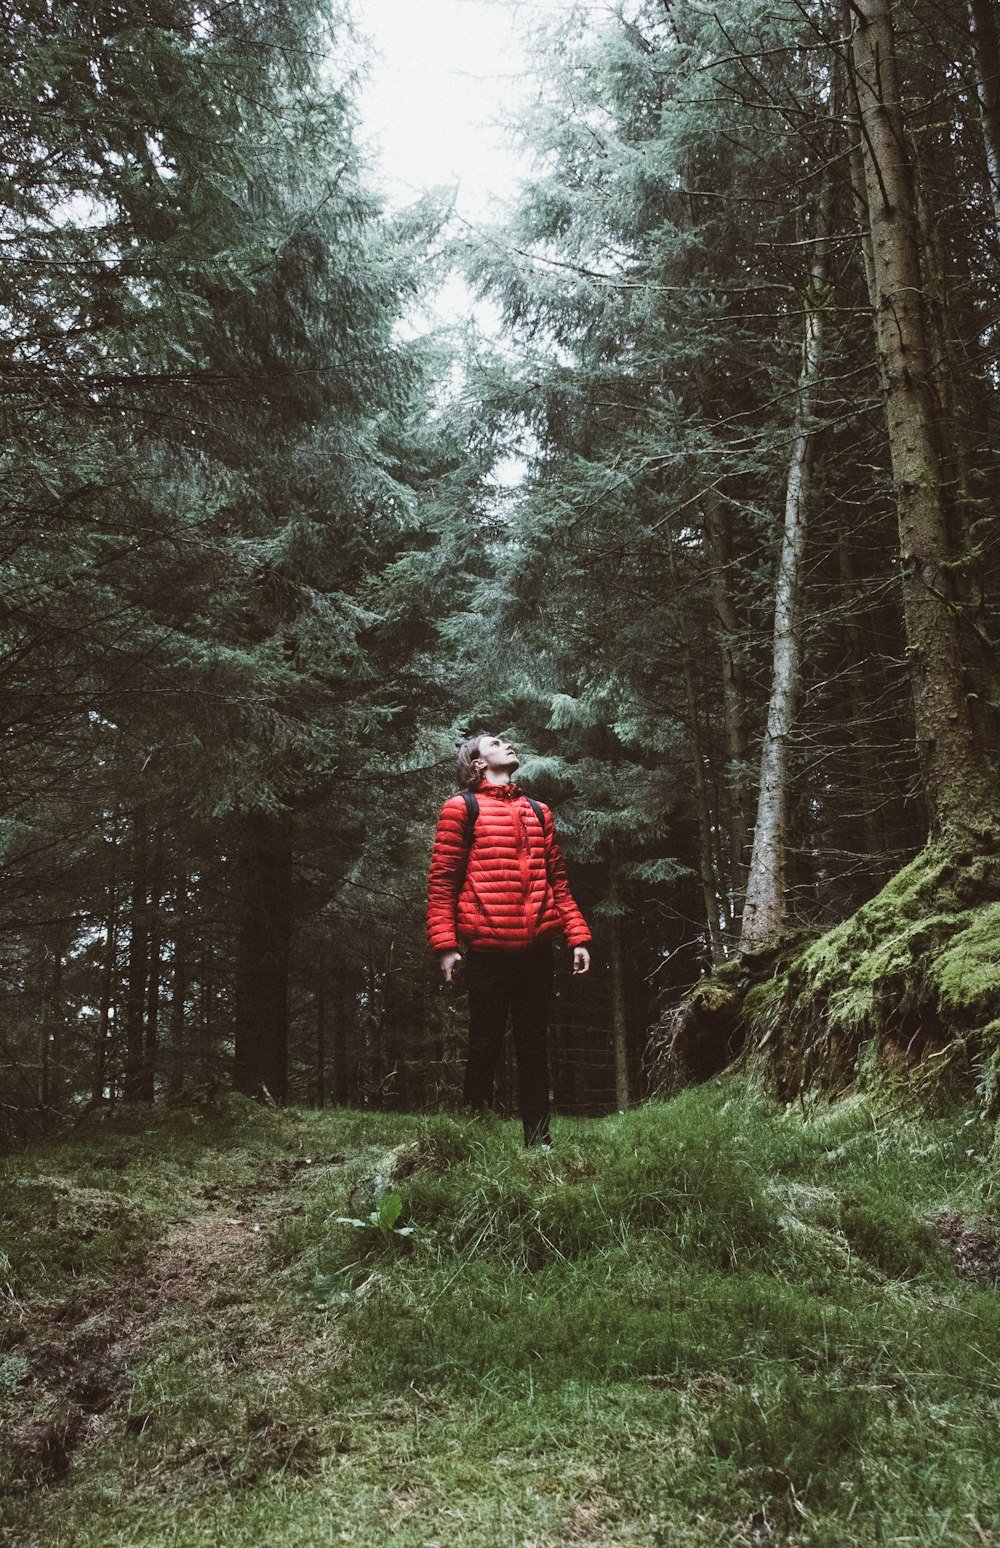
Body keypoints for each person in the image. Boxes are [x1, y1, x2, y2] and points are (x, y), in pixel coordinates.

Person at [427, 732, 591, 1147]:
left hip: (536, 951)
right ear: (478, 763)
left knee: (534, 1048)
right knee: (483, 1045)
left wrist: (578, 937)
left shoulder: (538, 811)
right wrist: (446, 944)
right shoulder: (460, 808)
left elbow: (558, 882)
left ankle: (539, 1143)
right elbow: (443, 881)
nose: (508, 744)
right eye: (496, 743)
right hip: (486, 950)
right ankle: (468, 1141)